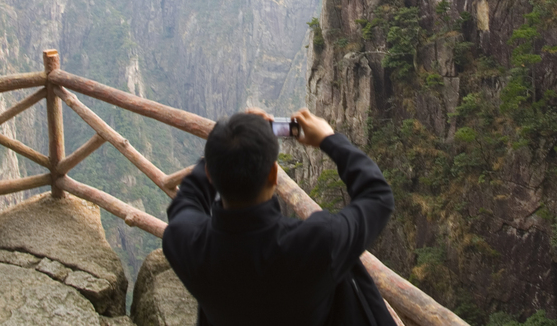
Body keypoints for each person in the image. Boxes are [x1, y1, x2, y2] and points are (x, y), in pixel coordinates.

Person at [163, 107, 397, 326]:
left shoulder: (185, 244)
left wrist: (227, 146)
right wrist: (329, 139)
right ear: (274, 174)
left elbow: (187, 200)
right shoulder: (317, 242)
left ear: (210, 175)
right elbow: (378, 196)